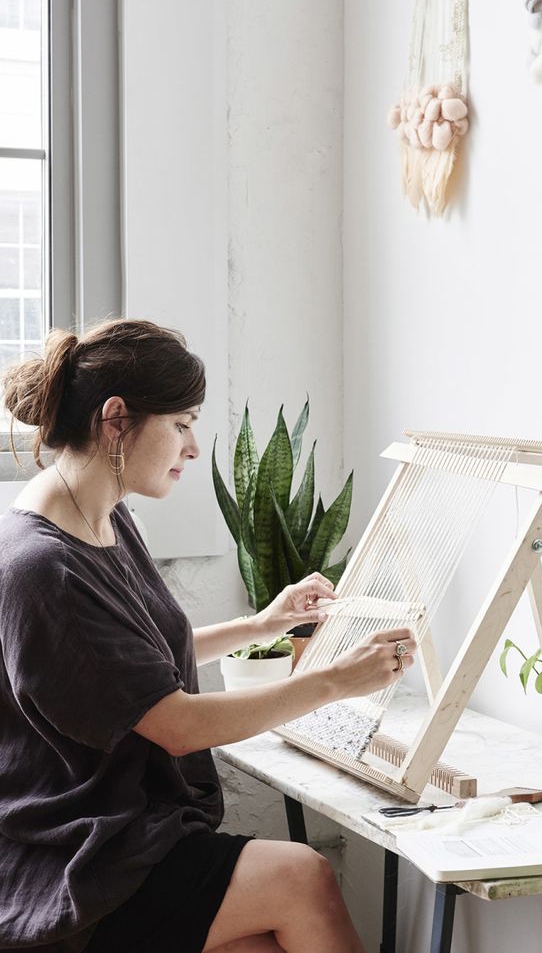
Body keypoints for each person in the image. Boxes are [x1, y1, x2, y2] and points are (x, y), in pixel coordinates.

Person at [0, 319, 416, 953]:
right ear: (116, 419)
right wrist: (335, 680)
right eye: (181, 424)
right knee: (303, 876)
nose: (193, 448)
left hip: (123, 827)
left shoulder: (98, 514)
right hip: (74, 855)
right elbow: (176, 724)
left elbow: (126, 664)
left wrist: (261, 625)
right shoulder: (44, 564)